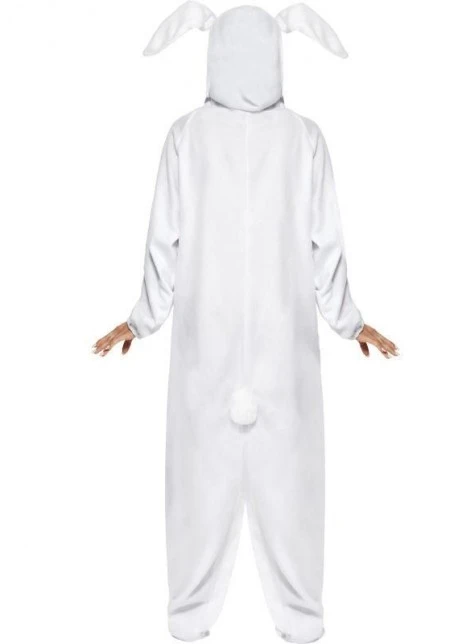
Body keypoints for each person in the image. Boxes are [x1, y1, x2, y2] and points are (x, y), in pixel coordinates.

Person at [93, 3, 398, 642]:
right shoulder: (302, 138)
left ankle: (193, 615)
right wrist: (348, 320)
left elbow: (163, 243)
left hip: (208, 344)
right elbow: (326, 245)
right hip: (282, 348)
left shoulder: (188, 135)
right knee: (291, 479)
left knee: (198, 478)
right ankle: (297, 617)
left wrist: (142, 318)